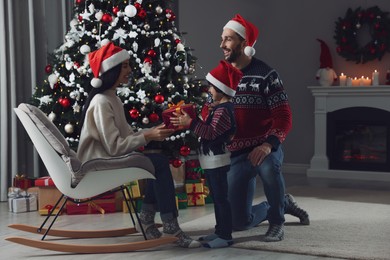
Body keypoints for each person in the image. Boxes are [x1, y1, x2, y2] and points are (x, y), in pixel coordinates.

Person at [77, 42, 200, 248]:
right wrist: (148, 135)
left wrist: (153, 134)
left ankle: (148, 219)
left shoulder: (111, 98)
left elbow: (127, 137)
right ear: (111, 70)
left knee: (156, 161)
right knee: (158, 163)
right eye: (124, 66)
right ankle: (169, 225)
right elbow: (115, 147)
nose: (130, 70)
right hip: (98, 164)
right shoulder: (101, 102)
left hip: (108, 158)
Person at [219, 14, 310, 242]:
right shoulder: (222, 76)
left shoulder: (267, 75)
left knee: (269, 169)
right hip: (236, 154)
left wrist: (269, 145)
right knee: (238, 223)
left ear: (244, 44)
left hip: (264, 146)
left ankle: (277, 222)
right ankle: (281, 203)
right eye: (222, 39)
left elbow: (284, 117)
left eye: (228, 39)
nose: (222, 45)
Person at [171, 60, 243, 248]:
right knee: (217, 198)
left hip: (218, 161)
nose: (209, 90)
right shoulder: (218, 109)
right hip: (211, 162)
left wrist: (191, 123)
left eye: (212, 87)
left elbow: (210, 133)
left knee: (221, 199)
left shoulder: (224, 111)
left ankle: (226, 235)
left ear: (221, 88)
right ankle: (219, 231)